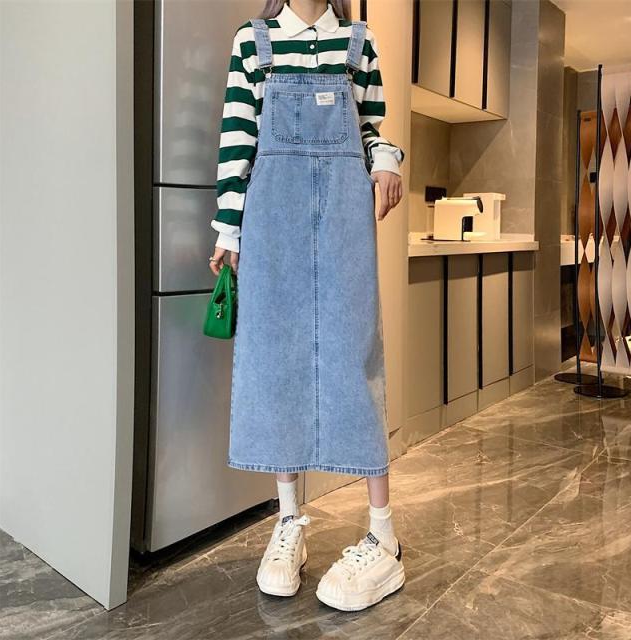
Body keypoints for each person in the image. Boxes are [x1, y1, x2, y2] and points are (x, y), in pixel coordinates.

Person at [208, 0, 404, 612]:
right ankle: (289, 521)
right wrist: (228, 231)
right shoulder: (253, 42)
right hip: (271, 216)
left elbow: (370, 127)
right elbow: (237, 140)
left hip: (344, 213)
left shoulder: (359, 42)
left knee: (354, 357)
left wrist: (387, 159)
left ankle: (383, 536)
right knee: (279, 358)